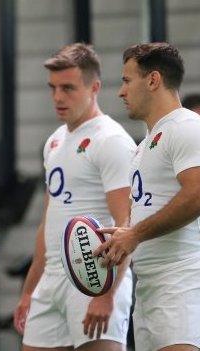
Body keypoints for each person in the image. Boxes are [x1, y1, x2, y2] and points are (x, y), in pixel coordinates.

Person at [13, 43, 134, 351]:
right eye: (52, 88)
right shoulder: (54, 142)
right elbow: (48, 221)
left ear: (94, 87)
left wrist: (106, 294)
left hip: (96, 278)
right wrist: (29, 290)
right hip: (51, 280)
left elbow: (128, 225)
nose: (57, 97)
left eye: (68, 88)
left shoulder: (111, 140)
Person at [96, 42, 200, 351]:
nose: (121, 92)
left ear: (153, 80)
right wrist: (122, 237)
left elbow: (196, 194)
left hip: (183, 283)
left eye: (127, 80)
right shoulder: (142, 147)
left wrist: (136, 234)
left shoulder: (187, 127)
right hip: (150, 290)